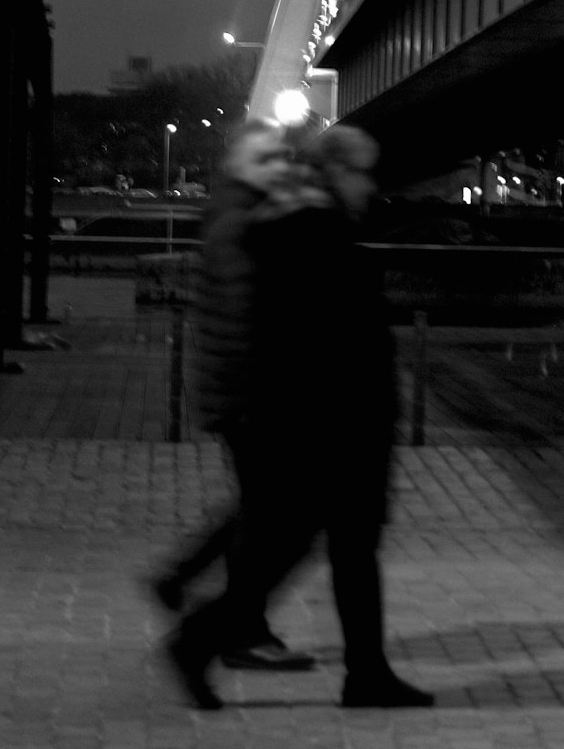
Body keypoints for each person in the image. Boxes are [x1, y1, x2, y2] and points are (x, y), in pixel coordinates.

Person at [164, 122, 433, 712]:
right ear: (336, 171)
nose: (372, 187)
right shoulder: (315, 233)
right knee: (302, 551)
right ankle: (199, 641)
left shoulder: (298, 226)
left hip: (318, 421)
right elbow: (326, 341)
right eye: (365, 173)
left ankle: (366, 672)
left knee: (329, 551)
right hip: (332, 426)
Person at [146, 119, 318, 670]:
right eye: (267, 159)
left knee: (260, 507)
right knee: (274, 515)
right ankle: (237, 627)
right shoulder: (241, 225)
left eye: (282, 158)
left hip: (237, 391)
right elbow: (251, 318)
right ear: (241, 164)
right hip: (249, 396)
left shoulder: (235, 215)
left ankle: (189, 585)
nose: (280, 168)